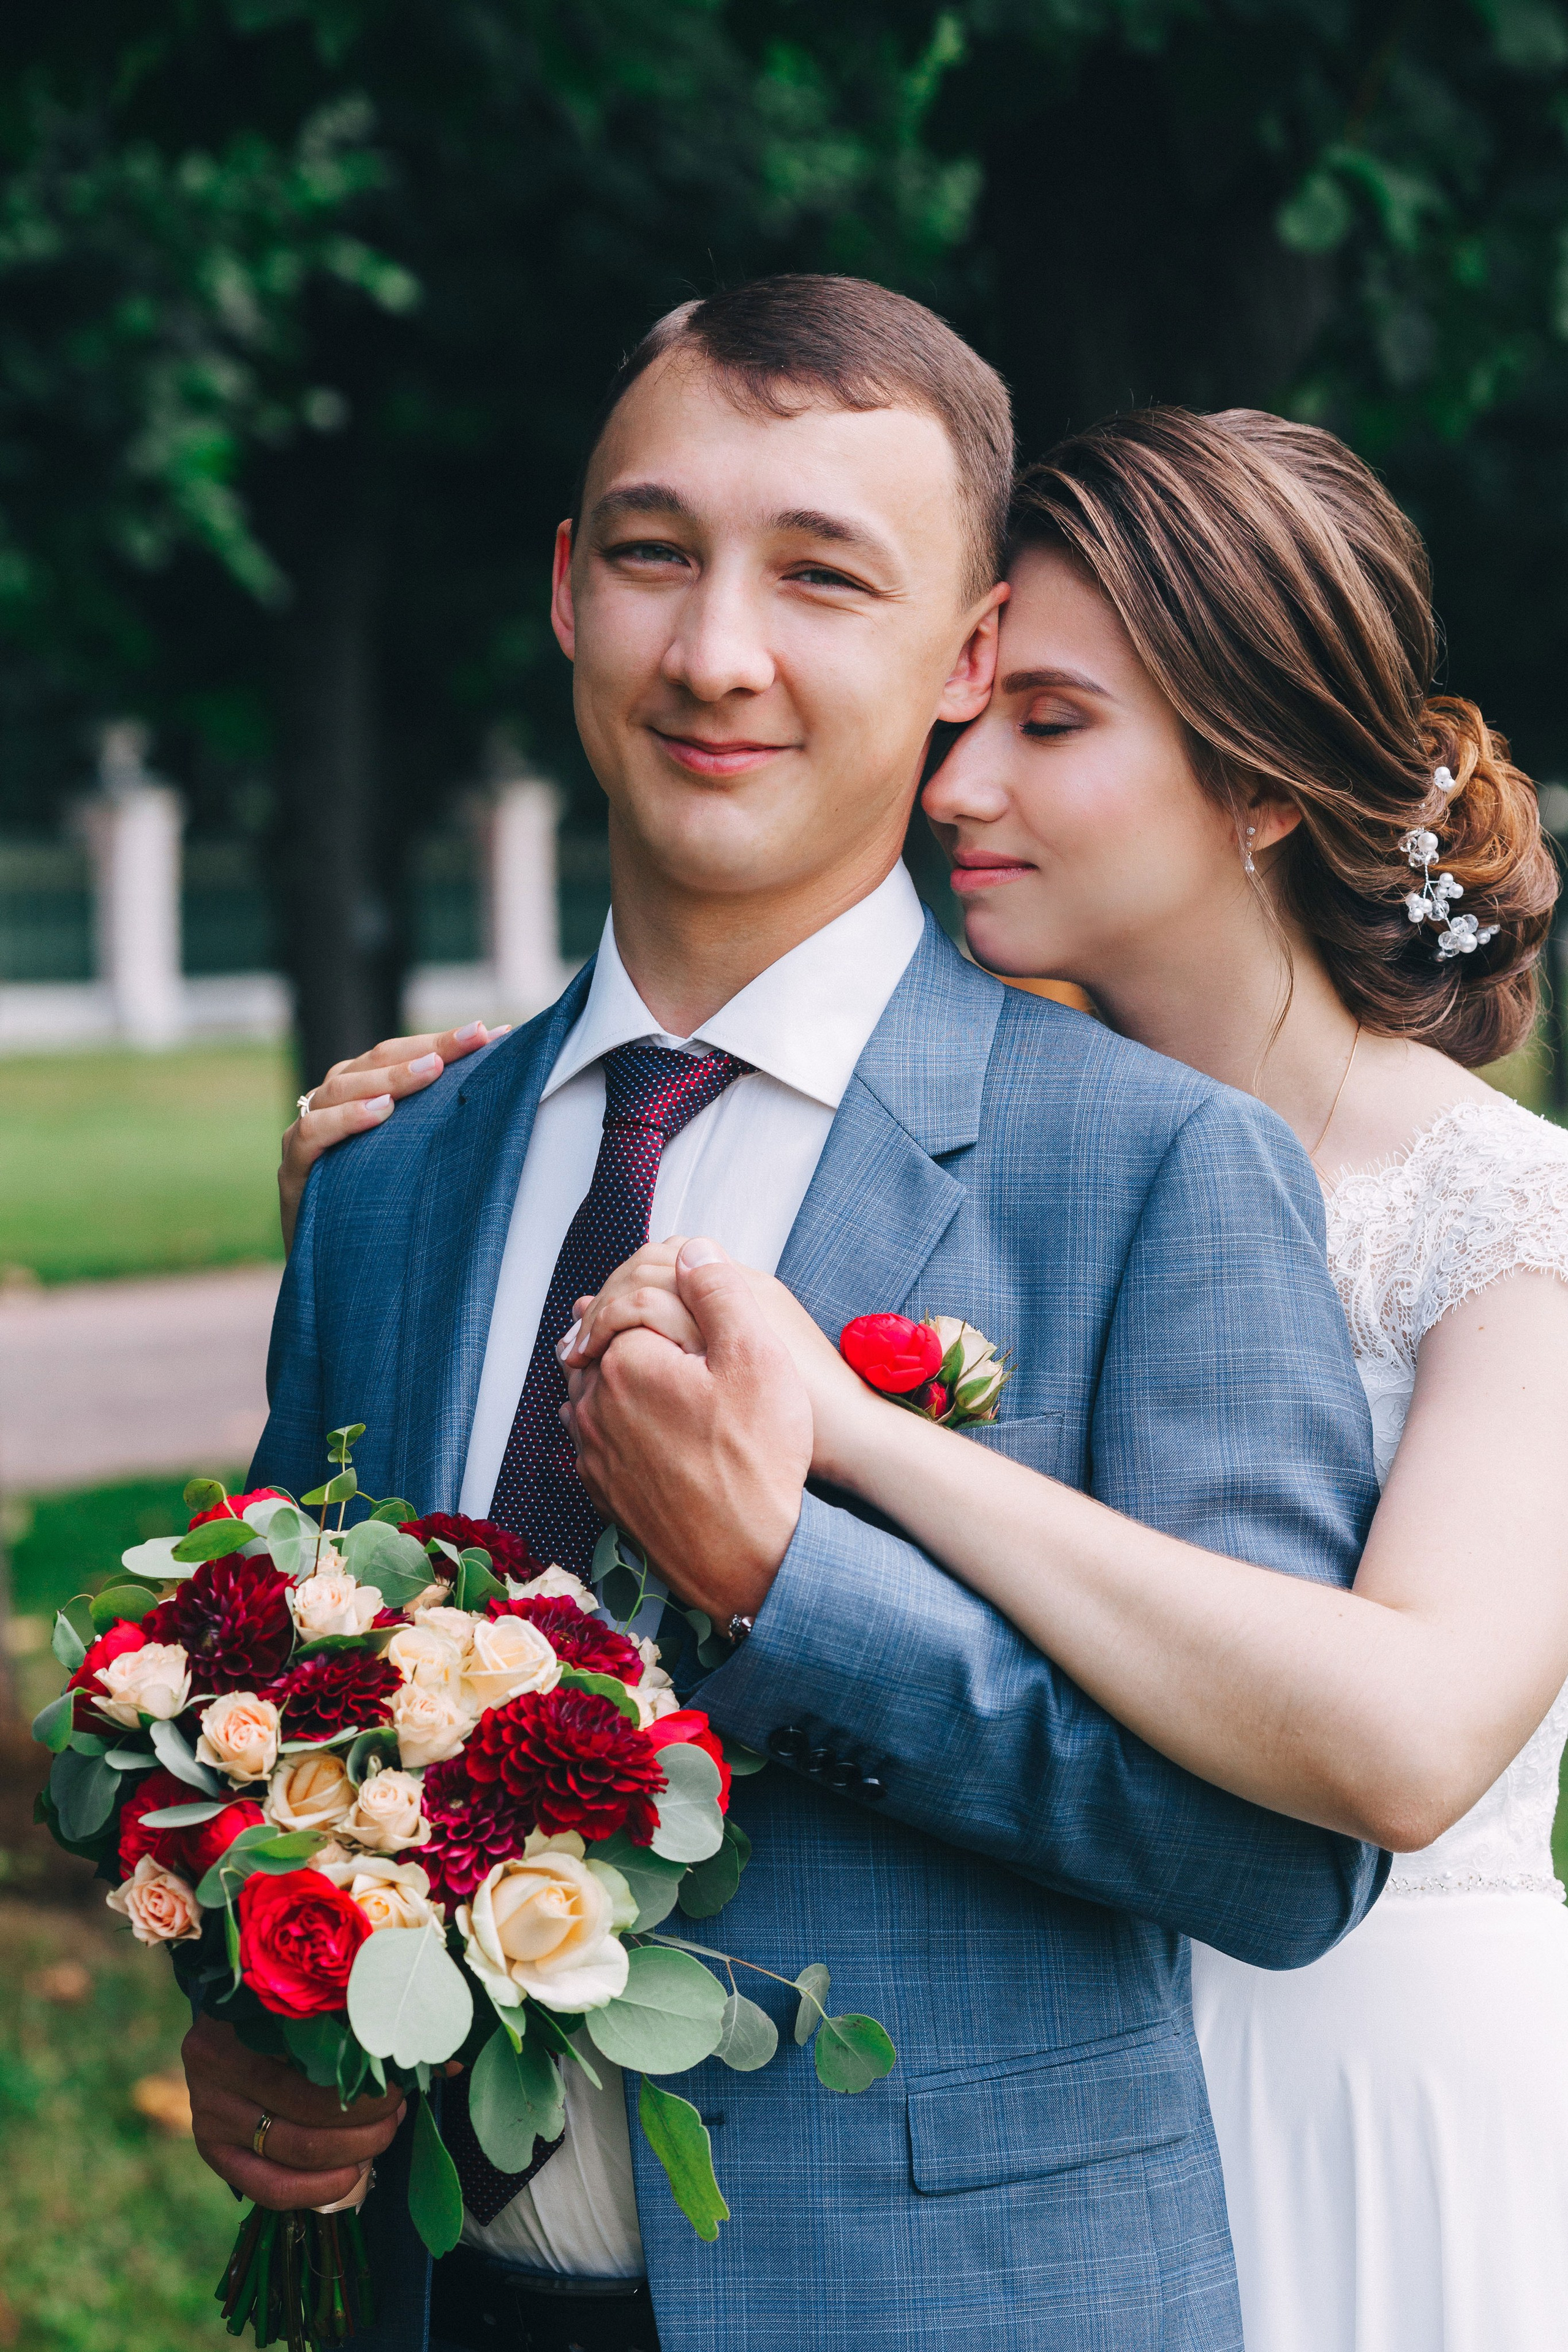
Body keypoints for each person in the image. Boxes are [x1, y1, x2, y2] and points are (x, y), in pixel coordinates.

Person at [188, 278, 1386, 2352]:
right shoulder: (387, 1185)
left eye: (825, 578)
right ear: (571, 591)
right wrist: (249, 2007)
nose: (714, 652)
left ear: (967, 656)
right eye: (656, 553)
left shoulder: (1156, 1175)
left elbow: (1285, 1870)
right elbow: (269, 1730)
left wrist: (785, 1590)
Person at [566, 407, 1568, 2352]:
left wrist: (859, 1444)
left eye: (1051, 720)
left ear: (1262, 789)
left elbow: (1413, 1729)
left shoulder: (1513, 1221)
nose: (954, 781)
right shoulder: (986, 1157)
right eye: (970, 710)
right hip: (1031, 2120)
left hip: (1373, 2110)